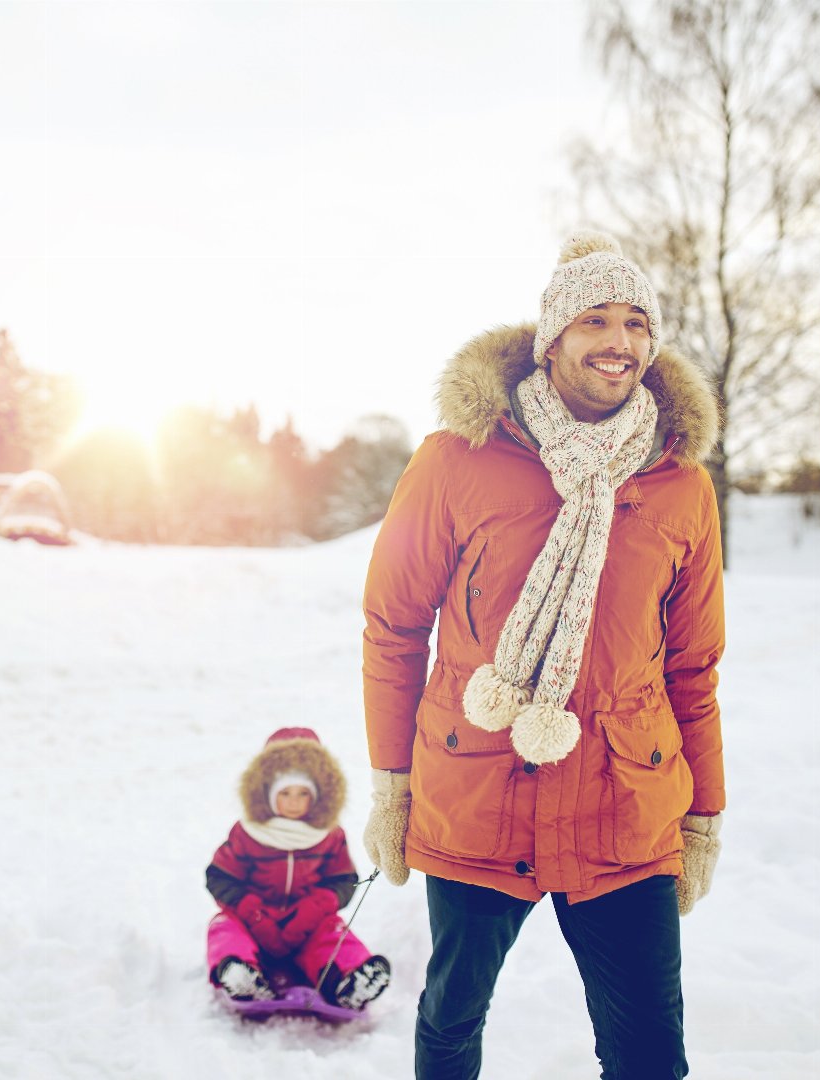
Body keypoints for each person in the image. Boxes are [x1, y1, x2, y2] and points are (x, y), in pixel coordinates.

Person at [361, 232, 725, 1078]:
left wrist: (702, 816)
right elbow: (393, 628)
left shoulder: (680, 484)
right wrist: (391, 786)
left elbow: (693, 669)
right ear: (552, 338)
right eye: (595, 320)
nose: (619, 342)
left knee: (649, 1053)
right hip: (478, 790)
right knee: (450, 1022)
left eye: (637, 322)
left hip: (625, 805)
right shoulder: (458, 459)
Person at [205, 727, 392, 1011]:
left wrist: (317, 907)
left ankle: (349, 979)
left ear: (317, 795)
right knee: (223, 927)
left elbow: (342, 879)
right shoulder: (249, 832)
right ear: (268, 792)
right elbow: (220, 877)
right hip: (255, 921)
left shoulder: (328, 834)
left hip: (306, 924)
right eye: (286, 793)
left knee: (332, 933)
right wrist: (251, 911)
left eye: (303, 793)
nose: (294, 801)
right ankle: (240, 972)